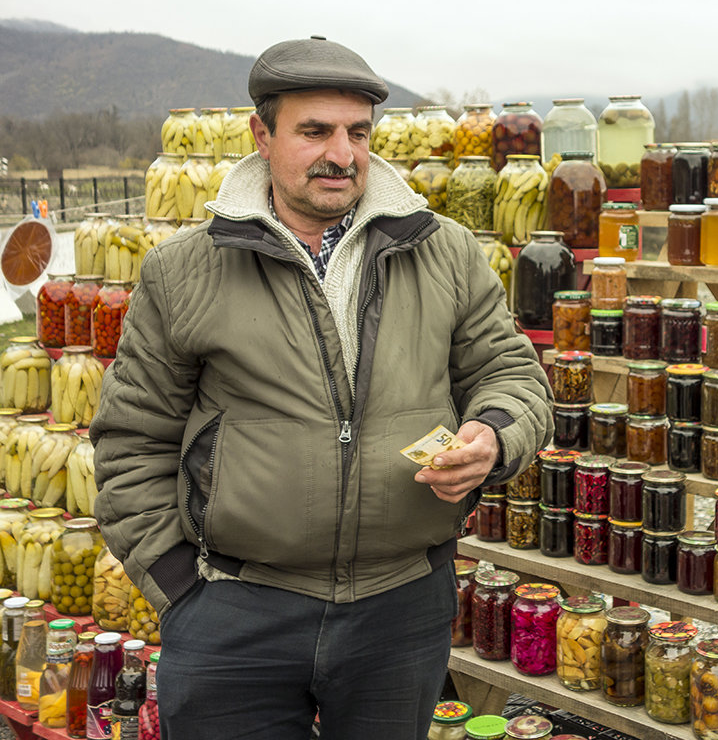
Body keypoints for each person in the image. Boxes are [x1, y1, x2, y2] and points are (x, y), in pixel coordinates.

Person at [90, 36, 553, 739]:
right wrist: (179, 588)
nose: (342, 153)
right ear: (261, 134)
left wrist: (493, 432)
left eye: (357, 132)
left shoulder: (447, 251)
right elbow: (132, 438)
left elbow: (513, 374)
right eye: (314, 132)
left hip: (401, 607)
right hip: (235, 611)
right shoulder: (184, 270)